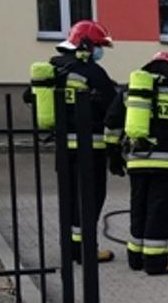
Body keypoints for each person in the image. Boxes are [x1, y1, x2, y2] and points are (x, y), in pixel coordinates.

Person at [28, 20, 119, 265]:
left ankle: (70, 249)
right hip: (90, 149)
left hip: (63, 149)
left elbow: (30, 97)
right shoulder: (91, 72)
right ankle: (87, 250)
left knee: (69, 200)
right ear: (86, 44)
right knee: (90, 201)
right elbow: (114, 106)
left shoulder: (53, 69)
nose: (99, 52)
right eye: (98, 46)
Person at [111, 51, 168, 275]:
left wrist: (113, 154)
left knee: (138, 207)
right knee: (160, 211)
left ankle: (135, 257)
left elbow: (112, 122)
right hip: (167, 165)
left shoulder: (131, 91)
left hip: (136, 162)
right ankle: (155, 262)